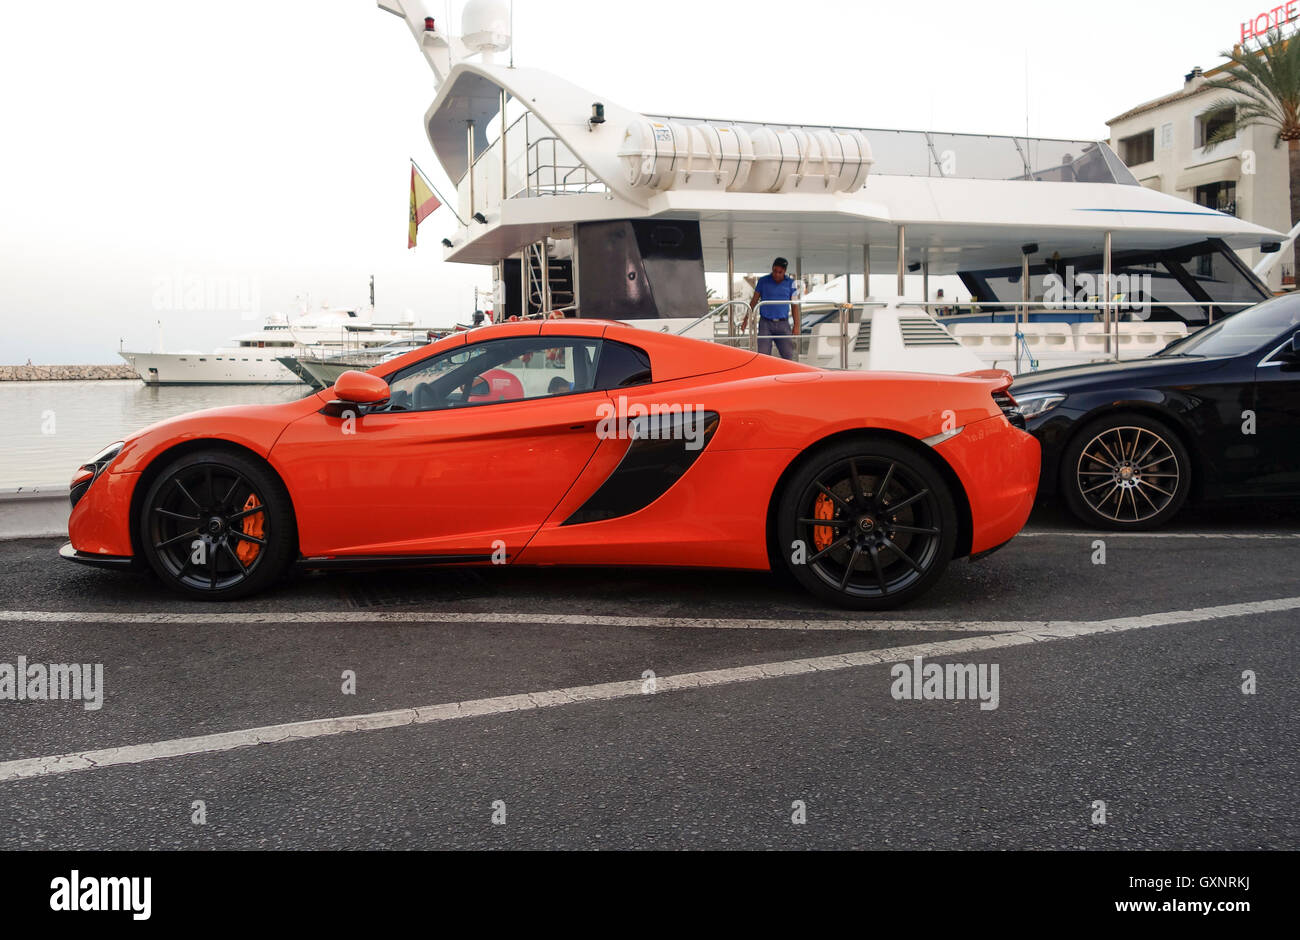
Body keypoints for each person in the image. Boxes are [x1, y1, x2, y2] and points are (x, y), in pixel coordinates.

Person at [747, 257, 800, 360]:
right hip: (765, 324)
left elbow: (794, 305)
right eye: (775, 271)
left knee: (788, 355)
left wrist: (797, 325)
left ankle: (788, 376)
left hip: (783, 323)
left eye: (780, 272)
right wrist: (746, 319)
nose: (777, 274)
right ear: (772, 268)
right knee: (763, 356)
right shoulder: (763, 281)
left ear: (784, 271)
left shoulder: (791, 283)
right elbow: (754, 301)